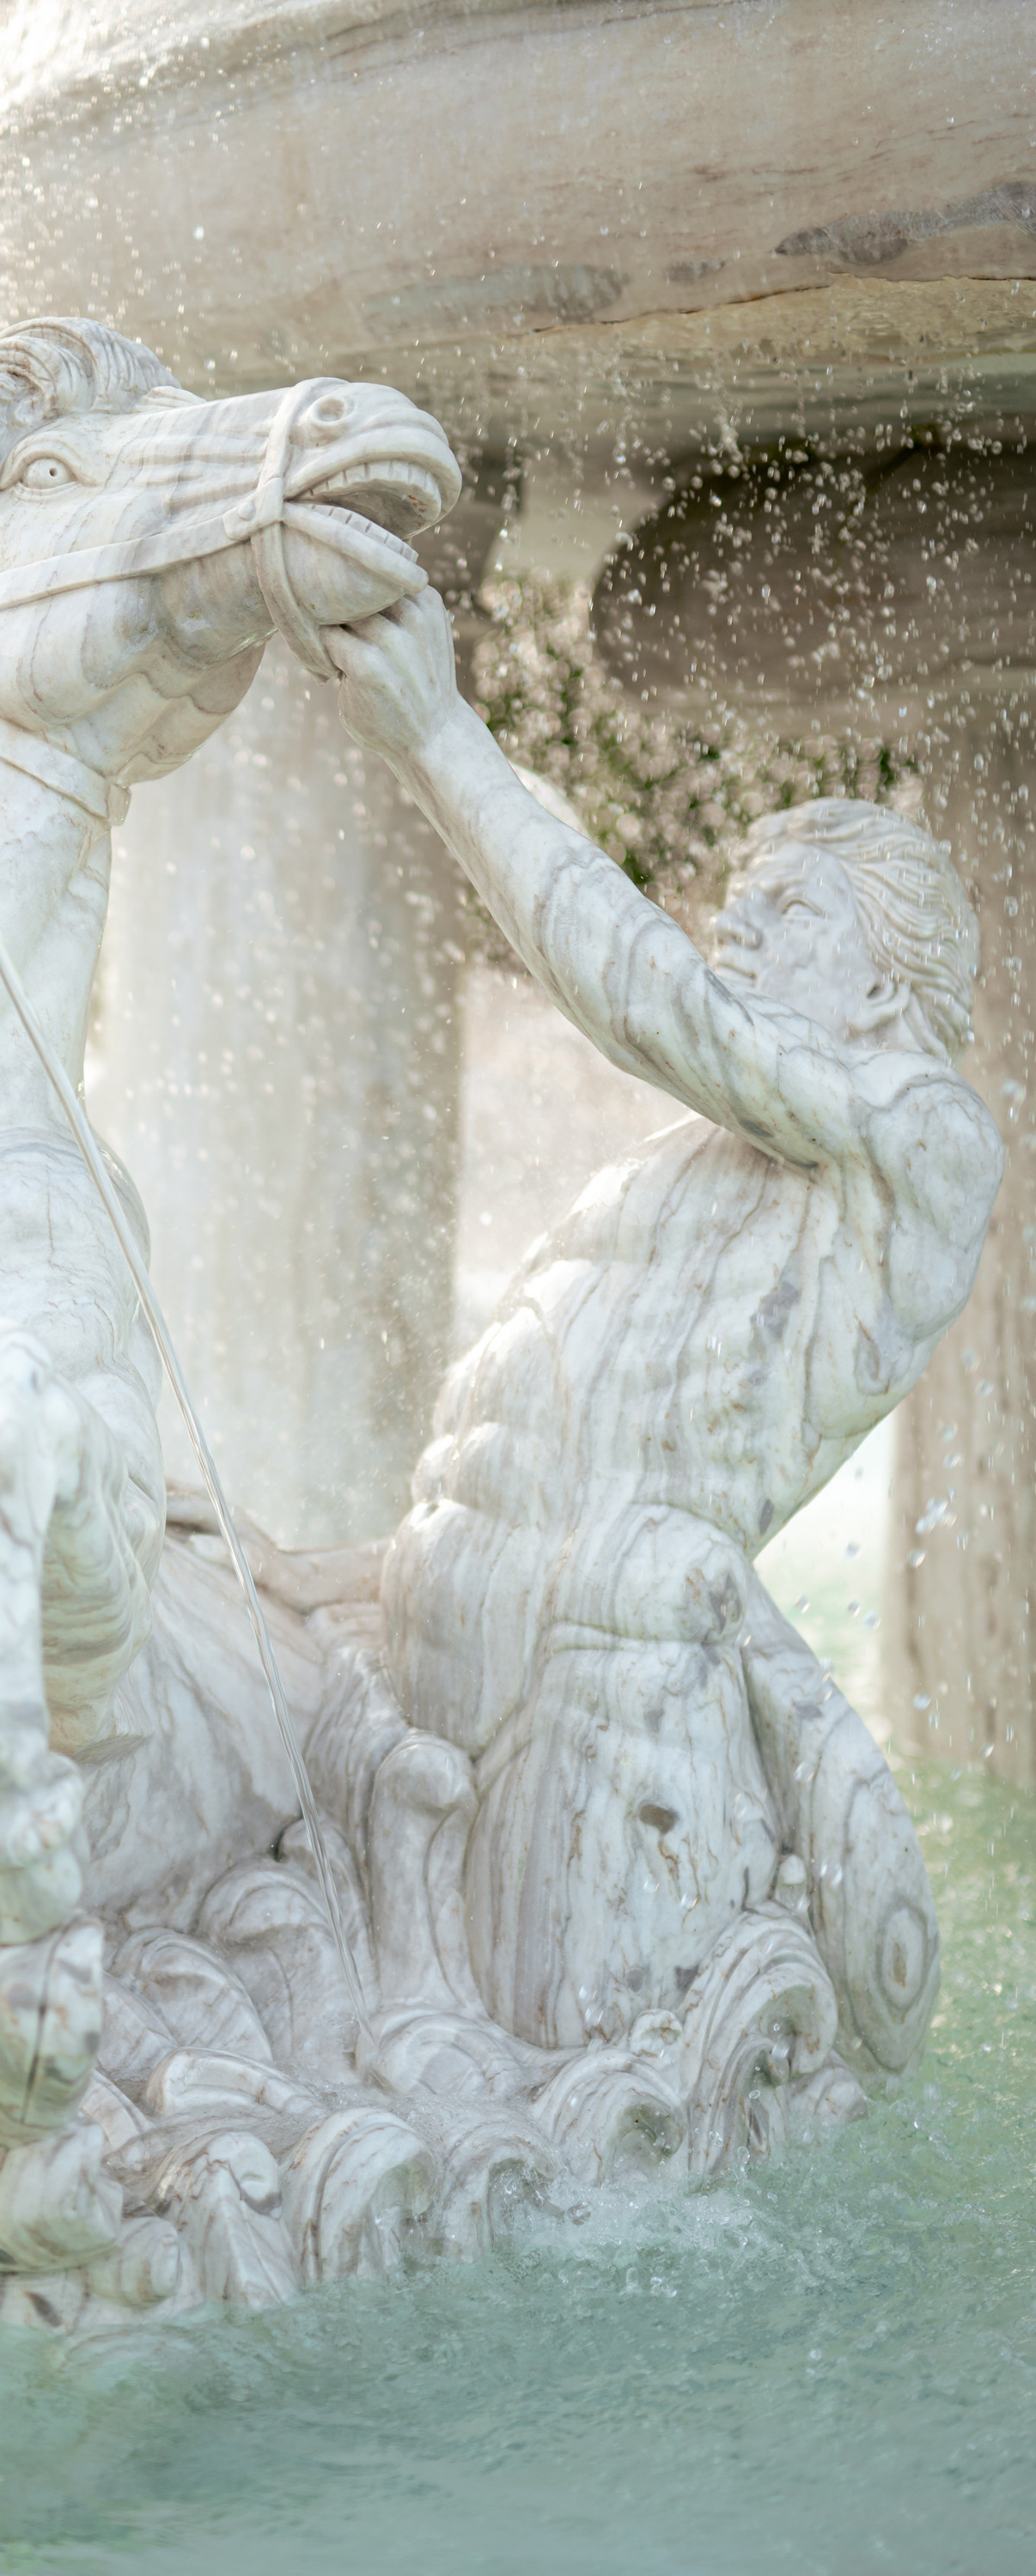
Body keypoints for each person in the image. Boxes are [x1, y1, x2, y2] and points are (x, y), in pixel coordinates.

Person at [322, 591, 1001, 2065]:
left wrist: (442, 735)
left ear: (887, 981)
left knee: (577, 2130)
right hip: (465, 1619)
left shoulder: (921, 1131)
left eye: (792, 906)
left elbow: (649, 997)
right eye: (738, 895)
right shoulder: (712, 1154)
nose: (736, 919)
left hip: (611, 1680)